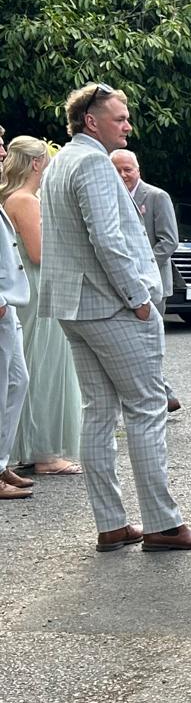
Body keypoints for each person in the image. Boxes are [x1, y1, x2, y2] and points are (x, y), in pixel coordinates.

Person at [36, 83, 191, 552]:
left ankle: (112, 525)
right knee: (146, 409)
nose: (128, 125)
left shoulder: (60, 163)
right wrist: (138, 296)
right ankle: (162, 524)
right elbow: (108, 238)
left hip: (73, 306)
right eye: (120, 118)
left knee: (98, 413)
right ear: (91, 121)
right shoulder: (94, 163)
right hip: (110, 305)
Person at [0, 136, 82, 475]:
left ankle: (27, 449)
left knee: (25, 368)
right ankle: (44, 452)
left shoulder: (10, 197)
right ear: (37, 163)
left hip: (28, 290)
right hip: (36, 288)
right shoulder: (25, 200)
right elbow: (39, 253)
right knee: (44, 367)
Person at [110, 149, 180, 412]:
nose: (123, 174)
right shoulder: (110, 197)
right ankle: (162, 394)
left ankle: (160, 395)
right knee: (131, 344)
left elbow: (169, 241)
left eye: (127, 169)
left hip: (152, 284)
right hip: (122, 284)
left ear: (138, 170)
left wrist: (141, 270)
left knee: (149, 343)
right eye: (116, 169)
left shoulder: (156, 196)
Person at [0, 181, 32, 500]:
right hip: (2, 303)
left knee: (18, 381)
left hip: (10, 304)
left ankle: (2, 461)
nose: (3, 152)